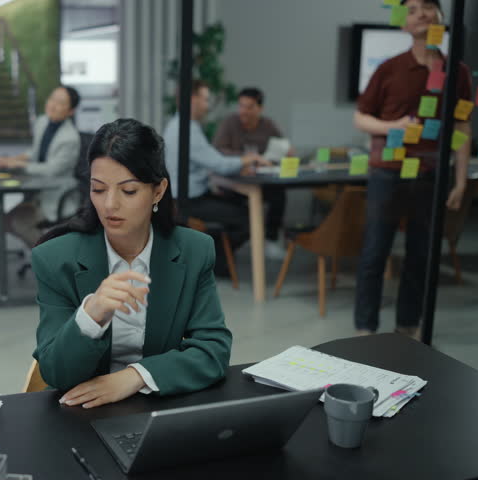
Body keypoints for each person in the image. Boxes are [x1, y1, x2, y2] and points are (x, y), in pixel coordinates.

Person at [31, 118, 232, 408]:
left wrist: (135, 376)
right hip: (82, 414)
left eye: (128, 191)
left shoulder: (194, 250)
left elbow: (213, 350)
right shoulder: (55, 258)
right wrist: (91, 314)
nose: (110, 204)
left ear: (158, 191)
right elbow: (55, 372)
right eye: (98, 189)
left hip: (159, 404)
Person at [353, 0, 471, 338]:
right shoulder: (389, 68)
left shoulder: (457, 72)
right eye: (414, 8)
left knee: (421, 255)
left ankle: (408, 330)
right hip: (388, 172)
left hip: (432, 176)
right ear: (404, 23)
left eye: (429, 6)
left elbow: (462, 128)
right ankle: (365, 332)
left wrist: (460, 181)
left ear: (441, 17)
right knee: (375, 252)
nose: (422, 13)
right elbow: (360, 117)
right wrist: (393, 127)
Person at [163, 80, 270, 275]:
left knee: (236, 204)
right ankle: (217, 261)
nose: (207, 105)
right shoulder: (187, 130)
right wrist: (249, 159)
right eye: (205, 99)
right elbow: (219, 163)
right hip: (189, 200)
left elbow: (207, 161)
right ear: (192, 100)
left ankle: (217, 258)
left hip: (182, 196)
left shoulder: (177, 125)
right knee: (247, 218)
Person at [0, 86, 82, 248]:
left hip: (56, 196)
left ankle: (49, 259)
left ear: (70, 111)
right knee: (6, 221)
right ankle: (42, 255)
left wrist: (18, 164)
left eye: (60, 102)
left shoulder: (70, 138)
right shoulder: (42, 122)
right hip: (37, 192)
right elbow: (34, 151)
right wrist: (10, 160)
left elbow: (51, 169)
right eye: (52, 98)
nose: (52, 105)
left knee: (18, 222)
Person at [213, 87, 292, 258]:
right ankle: (232, 245)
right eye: (241, 106)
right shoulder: (230, 123)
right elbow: (218, 151)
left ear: (260, 108)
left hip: (259, 180)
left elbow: (281, 148)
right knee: (234, 209)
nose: (244, 111)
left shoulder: (268, 125)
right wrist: (248, 158)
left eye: (249, 107)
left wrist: (285, 152)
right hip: (233, 182)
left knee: (279, 195)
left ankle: (269, 240)